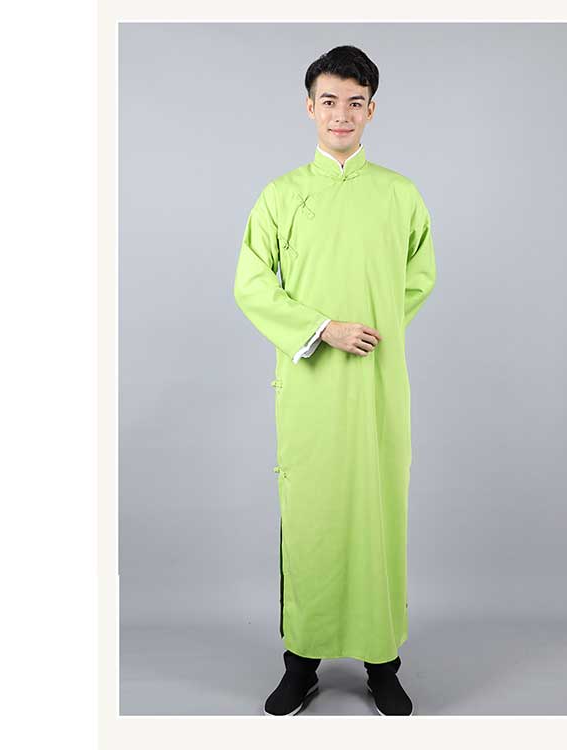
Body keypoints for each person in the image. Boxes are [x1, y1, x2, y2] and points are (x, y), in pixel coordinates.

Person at [233, 45, 436, 716]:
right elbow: (252, 284)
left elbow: (418, 277)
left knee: (378, 514)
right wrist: (322, 329)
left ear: (372, 110)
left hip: (377, 384)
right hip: (312, 386)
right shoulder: (282, 196)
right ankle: (301, 661)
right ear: (309, 107)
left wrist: (374, 327)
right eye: (329, 101)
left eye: (355, 102)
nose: (341, 114)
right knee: (312, 520)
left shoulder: (399, 195)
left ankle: (383, 662)